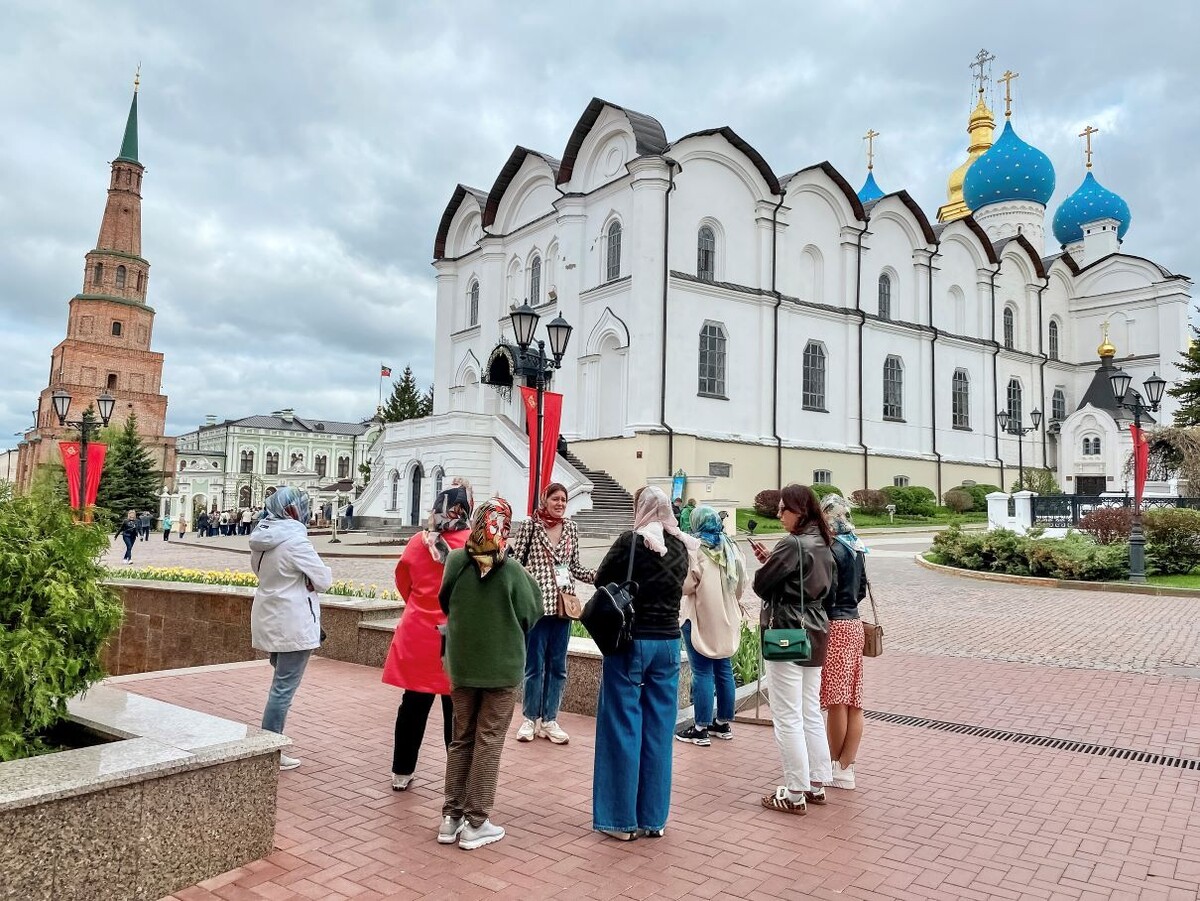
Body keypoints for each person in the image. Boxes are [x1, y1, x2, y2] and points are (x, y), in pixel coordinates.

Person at [591, 486, 700, 841]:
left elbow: (600, 580)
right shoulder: (682, 544)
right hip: (669, 643)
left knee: (622, 725)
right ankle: (654, 818)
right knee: (658, 730)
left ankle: (620, 820)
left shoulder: (631, 542)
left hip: (632, 641)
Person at [438, 497, 541, 851]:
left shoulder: (455, 561)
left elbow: (444, 598)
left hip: (463, 665)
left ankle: (450, 818)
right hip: (501, 669)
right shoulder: (513, 572)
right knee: (489, 741)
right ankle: (476, 821)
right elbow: (532, 614)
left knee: (461, 738)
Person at [751, 484, 836, 816]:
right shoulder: (824, 540)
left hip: (787, 626)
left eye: (783, 508)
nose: (778, 514)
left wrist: (770, 565)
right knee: (809, 710)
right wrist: (775, 562)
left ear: (800, 511)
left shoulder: (792, 543)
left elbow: (761, 584)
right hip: (815, 627)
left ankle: (795, 791)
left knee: (787, 715)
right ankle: (816, 782)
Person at [382, 485, 472, 791]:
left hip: (418, 634)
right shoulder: (472, 544)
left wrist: (421, 606)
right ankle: (456, 777)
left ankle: (401, 772)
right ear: (464, 509)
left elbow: (403, 583)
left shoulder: (416, 542)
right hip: (456, 638)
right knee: (456, 710)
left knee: (412, 706)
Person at [250, 487, 333, 770]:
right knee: (283, 689)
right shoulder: (296, 541)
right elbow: (323, 579)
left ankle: (270, 742)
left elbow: (263, 573)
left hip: (270, 617)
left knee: (280, 685)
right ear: (294, 510)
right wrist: (306, 581)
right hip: (294, 622)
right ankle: (270, 747)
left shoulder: (262, 537)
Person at [509, 483, 596, 745]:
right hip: (536, 606)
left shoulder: (571, 527)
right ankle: (529, 718)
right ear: (544, 500)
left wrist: (597, 576)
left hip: (563, 607)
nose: (559, 503)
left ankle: (549, 719)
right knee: (534, 665)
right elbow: (518, 563)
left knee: (558, 667)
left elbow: (574, 566)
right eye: (555, 499)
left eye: (564, 500)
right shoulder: (531, 526)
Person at [675, 505, 748, 746]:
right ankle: (723, 723)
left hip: (700, 616)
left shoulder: (696, 549)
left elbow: (687, 586)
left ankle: (700, 728)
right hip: (727, 616)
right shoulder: (731, 547)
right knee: (723, 667)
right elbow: (741, 583)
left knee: (702, 671)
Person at [820, 494, 868, 791]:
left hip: (835, 625)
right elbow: (860, 589)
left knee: (836, 701)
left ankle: (833, 764)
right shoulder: (856, 546)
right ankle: (847, 766)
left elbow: (826, 592)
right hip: (855, 623)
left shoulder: (833, 549)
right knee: (854, 700)